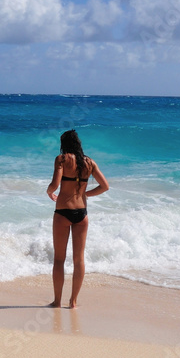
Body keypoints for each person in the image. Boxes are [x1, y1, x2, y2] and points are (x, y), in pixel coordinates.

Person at [46, 130, 109, 308]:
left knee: (59, 259)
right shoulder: (89, 162)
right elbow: (105, 186)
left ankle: (57, 301)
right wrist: (84, 194)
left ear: (63, 144)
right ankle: (73, 302)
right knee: (78, 259)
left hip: (63, 213)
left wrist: (49, 191)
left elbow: (55, 184)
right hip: (82, 213)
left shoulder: (62, 159)